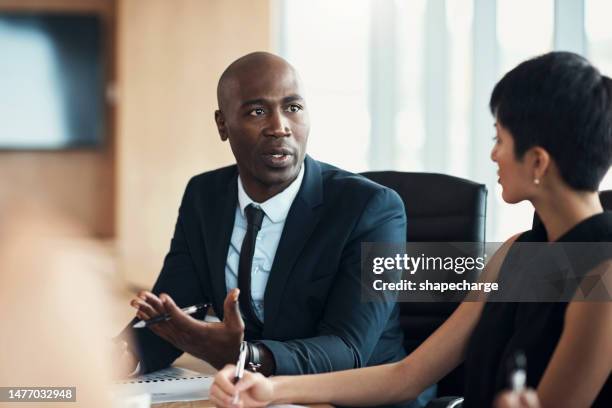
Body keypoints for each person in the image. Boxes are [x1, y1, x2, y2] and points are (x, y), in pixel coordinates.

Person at [210, 52, 612, 408]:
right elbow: (408, 376)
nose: (493, 154)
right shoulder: (517, 253)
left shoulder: (603, 275)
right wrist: (274, 389)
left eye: (499, 139)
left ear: (538, 162)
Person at [118, 52, 434, 407]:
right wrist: (115, 358)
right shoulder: (205, 197)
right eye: (257, 111)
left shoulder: (371, 209)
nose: (280, 126)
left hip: (359, 401)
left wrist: (248, 355)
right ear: (223, 125)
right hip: (257, 397)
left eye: (293, 108)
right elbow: (173, 317)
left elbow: (349, 347)